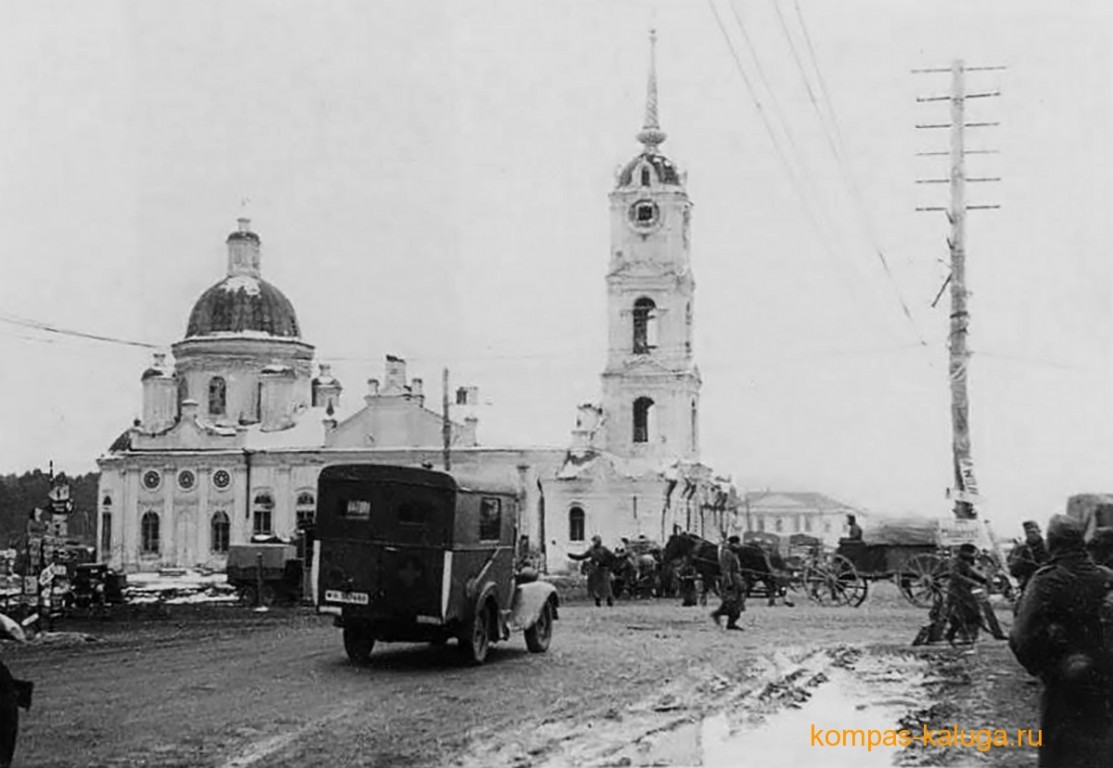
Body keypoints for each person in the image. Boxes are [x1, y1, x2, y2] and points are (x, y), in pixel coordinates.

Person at [1009, 515, 1113, 767]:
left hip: (1062, 686)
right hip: (1105, 685)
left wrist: (1044, 668)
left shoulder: (1046, 581)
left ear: (1052, 543)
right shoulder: (1107, 577)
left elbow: (1021, 638)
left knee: (1061, 753)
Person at [568, 535, 615, 607]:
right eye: (593, 541)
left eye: (595, 541)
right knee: (593, 585)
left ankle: (609, 599)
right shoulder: (591, 550)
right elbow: (582, 556)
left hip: (604, 569)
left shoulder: (604, 549)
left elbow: (612, 556)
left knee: (606, 585)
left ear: (599, 541)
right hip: (595, 570)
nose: (594, 542)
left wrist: (612, 564)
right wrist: (573, 556)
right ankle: (597, 599)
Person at [711, 535, 746, 630]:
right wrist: (728, 582)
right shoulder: (727, 553)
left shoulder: (734, 553)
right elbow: (726, 570)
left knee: (737, 603)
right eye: (737, 544)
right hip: (732, 580)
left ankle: (731, 623)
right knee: (731, 603)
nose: (739, 546)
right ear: (732, 544)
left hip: (737, 580)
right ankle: (718, 615)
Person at [1008, 520, 1049, 593]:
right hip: (1028, 585)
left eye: (1033, 532)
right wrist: (1024, 565)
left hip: (1047, 584)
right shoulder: (1020, 549)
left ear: (1039, 531)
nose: (1031, 535)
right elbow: (1012, 570)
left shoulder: (1049, 546)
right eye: (1028, 533)